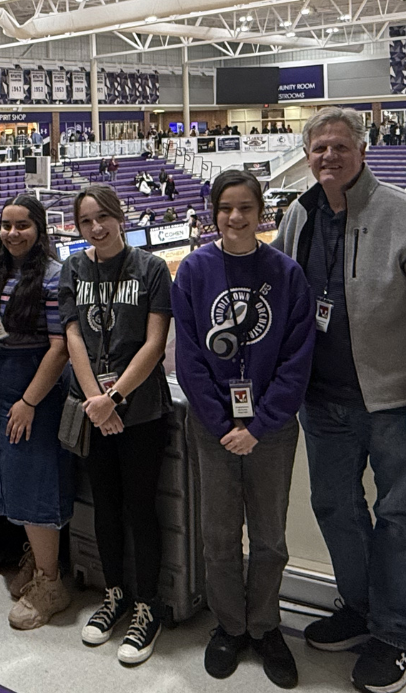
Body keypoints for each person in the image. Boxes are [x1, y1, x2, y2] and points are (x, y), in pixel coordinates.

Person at [273, 106, 406, 693]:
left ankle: (395, 634)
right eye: (318, 148)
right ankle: (359, 609)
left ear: (362, 149)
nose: (327, 156)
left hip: (392, 398)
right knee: (335, 508)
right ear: (307, 154)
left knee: (397, 518)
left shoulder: (400, 214)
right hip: (323, 398)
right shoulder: (299, 215)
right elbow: (276, 291)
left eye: (338, 146)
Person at [173, 170, 316, 688]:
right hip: (213, 429)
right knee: (217, 535)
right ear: (213, 212)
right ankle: (230, 626)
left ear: (261, 212)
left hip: (270, 431)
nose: (235, 217)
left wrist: (259, 424)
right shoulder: (193, 271)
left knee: (270, 537)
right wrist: (221, 421)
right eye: (226, 208)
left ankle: (266, 625)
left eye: (245, 208)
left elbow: (297, 359)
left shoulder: (285, 273)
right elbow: (188, 358)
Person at [60, 184, 173, 666]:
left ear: (120, 217)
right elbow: (73, 337)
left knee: (141, 509)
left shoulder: (150, 268)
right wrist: (94, 401)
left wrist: (115, 397)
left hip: (140, 410)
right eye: (86, 221)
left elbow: (155, 343)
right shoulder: (73, 268)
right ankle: (115, 594)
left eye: (103, 217)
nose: (96, 228)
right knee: (105, 506)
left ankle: (148, 605)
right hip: (95, 411)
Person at [0, 195, 73, 630]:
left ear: (40, 229)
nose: (13, 234)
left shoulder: (53, 277)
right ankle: (37, 556)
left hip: (34, 386)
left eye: (23, 226)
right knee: (9, 473)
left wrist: (30, 401)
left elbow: (60, 348)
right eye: (6, 225)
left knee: (35, 480)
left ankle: (51, 583)